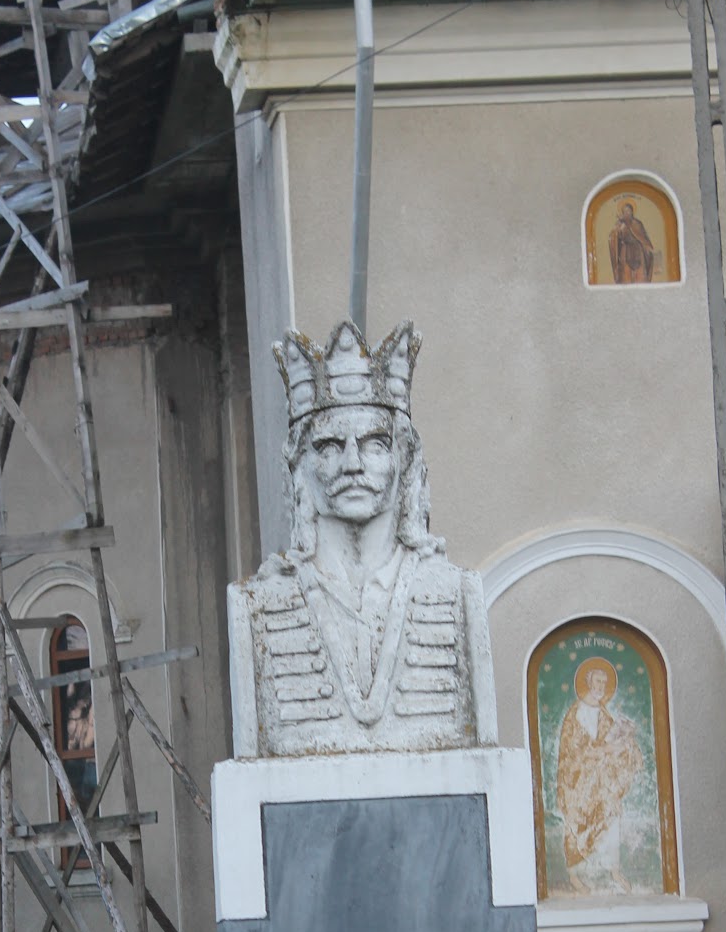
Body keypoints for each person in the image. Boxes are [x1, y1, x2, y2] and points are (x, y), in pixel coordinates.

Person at [227, 320, 497, 758]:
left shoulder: (457, 595)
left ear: (404, 462)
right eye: (329, 446)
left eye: (374, 444)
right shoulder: (257, 607)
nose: (352, 464)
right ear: (298, 467)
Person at [554, 657, 642, 892]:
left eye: (604, 681)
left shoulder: (604, 715)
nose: (601, 685)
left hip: (602, 784)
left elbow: (610, 741)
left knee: (611, 819)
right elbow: (574, 752)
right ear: (587, 682)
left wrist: (625, 744)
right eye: (597, 680)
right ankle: (575, 876)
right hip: (578, 784)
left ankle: (613, 872)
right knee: (576, 825)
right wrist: (604, 750)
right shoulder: (575, 715)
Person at [608, 199, 655, 284]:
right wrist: (617, 230)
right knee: (625, 275)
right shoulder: (620, 224)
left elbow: (643, 237)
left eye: (628, 211)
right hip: (625, 251)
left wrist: (648, 248)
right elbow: (614, 237)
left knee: (640, 275)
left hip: (638, 251)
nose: (627, 213)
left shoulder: (637, 223)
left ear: (632, 212)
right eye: (625, 211)